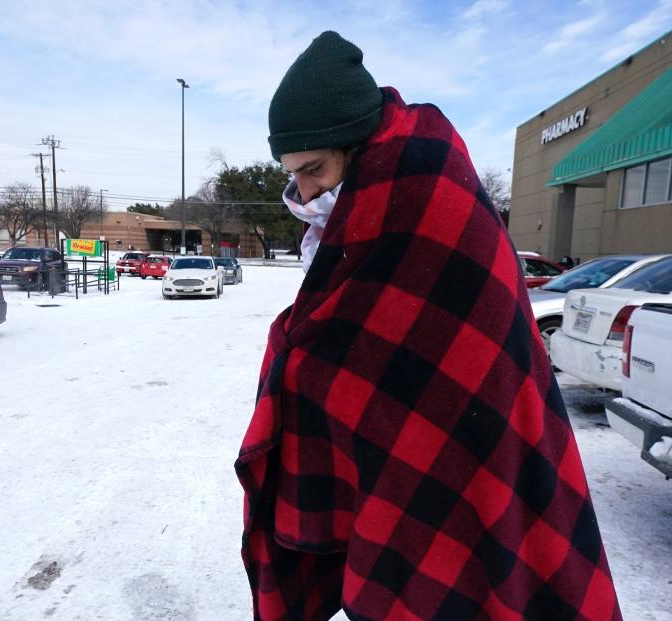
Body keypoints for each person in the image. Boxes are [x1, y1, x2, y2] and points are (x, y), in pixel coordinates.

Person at [235, 31, 621, 620]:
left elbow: (381, 332)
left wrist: (299, 353)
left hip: (479, 435)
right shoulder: (360, 205)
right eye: (293, 175)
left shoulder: (423, 184)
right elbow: (347, 326)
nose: (304, 191)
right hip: (399, 453)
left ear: (355, 144)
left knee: (485, 574)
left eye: (312, 169)